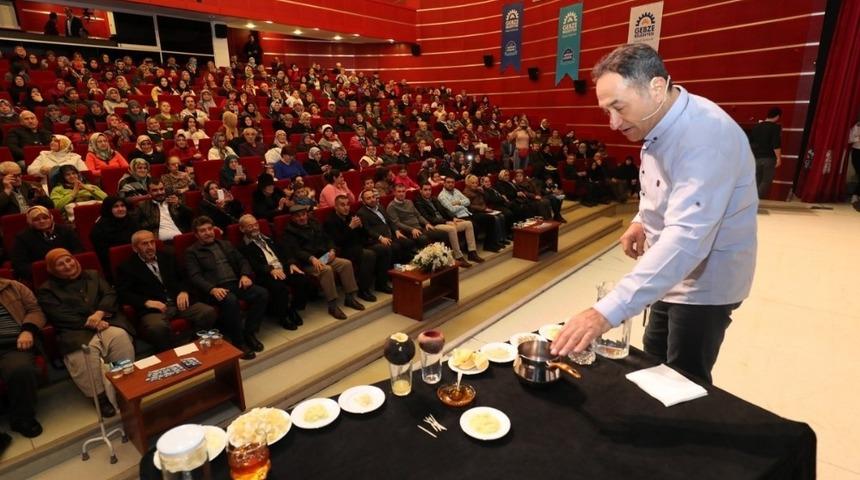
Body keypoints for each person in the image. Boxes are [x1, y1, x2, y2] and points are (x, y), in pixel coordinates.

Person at [551, 44, 758, 384]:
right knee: (652, 360)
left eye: (619, 108)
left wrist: (605, 312)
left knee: (683, 380)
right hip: (667, 272)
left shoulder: (706, 137)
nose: (613, 123)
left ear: (657, 88)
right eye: (607, 111)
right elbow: (665, 188)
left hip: (703, 283)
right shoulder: (660, 121)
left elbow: (688, 239)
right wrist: (641, 221)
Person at [37, 248, 134, 418]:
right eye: (60, 264)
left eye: (69, 260)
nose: (68, 265)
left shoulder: (92, 275)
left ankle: (123, 383)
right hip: (75, 330)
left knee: (120, 337)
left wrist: (99, 313)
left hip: (106, 321)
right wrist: (92, 322)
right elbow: (59, 315)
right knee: (84, 353)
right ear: (52, 269)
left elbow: (110, 294)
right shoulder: (47, 289)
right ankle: (100, 398)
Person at [117, 230, 216, 352]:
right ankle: (170, 354)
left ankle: (193, 345)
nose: (150, 247)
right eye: (145, 244)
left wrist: (183, 291)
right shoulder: (127, 267)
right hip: (154, 309)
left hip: (178, 302)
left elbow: (185, 277)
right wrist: (146, 302)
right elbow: (123, 293)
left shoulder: (167, 256)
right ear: (135, 248)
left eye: (152, 242)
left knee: (207, 312)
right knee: (157, 327)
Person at [185, 216, 269, 360]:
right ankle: (238, 342)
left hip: (236, 283)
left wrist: (245, 275)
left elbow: (242, 261)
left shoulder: (226, 244)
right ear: (196, 234)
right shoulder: (192, 252)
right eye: (203, 231)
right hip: (215, 289)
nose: (208, 233)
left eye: (210, 229)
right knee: (231, 300)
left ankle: (249, 332)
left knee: (262, 293)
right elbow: (195, 276)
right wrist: (212, 289)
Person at [281, 205, 365, 320]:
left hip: (323, 257)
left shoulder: (314, 223)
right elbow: (296, 251)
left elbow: (328, 238)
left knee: (346, 264)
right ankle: (332, 305)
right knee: (326, 270)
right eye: (298, 216)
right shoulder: (289, 232)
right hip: (307, 263)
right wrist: (311, 258)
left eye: (303, 214)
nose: (302, 218)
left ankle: (350, 298)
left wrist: (332, 250)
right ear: (292, 218)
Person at [237, 215, 310, 330]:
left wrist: (291, 263)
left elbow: (284, 251)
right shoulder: (243, 247)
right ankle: (283, 316)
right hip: (265, 273)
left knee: (301, 278)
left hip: (282, 267)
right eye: (250, 226)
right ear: (242, 229)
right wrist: (270, 270)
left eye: (256, 224)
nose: (255, 228)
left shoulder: (269, 237)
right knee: (279, 287)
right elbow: (252, 264)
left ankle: (292, 308)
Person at [0, 276, 46, 440]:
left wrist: (28, 330)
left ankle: (21, 418)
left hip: (14, 344)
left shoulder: (13, 286)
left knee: (20, 369)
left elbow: (35, 310)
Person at [387, 183, 471, 267]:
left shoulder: (409, 202)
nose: (401, 193)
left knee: (443, 234)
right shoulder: (391, 206)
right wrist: (411, 229)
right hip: (409, 232)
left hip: (419, 228)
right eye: (399, 191)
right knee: (423, 239)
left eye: (403, 191)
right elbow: (397, 223)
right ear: (394, 192)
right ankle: (431, 264)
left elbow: (418, 215)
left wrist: (426, 223)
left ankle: (445, 259)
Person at [323, 195, 390, 300]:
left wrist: (361, 227)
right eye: (342, 205)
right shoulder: (330, 221)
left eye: (348, 204)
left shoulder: (352, 214)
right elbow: (337, 242)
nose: (346, 208)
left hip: (359, 245)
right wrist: (350, 227)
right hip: (345, 250)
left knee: (384, 249)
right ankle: (363, 290)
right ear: (336, 207)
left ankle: (381, 284)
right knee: (369, 255)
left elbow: (364, 234)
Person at [414, 182, 484, 264]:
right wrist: (446, 221)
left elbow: (444, 210)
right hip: (434, 225)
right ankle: (458, 256)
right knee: (452, 229)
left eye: (429, 190)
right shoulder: (418, 202)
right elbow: (428, 218)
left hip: (444, 221)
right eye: (425, 190)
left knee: (468, 224)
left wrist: (453, 218)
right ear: (420, 191)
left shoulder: (434, 198)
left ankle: (472, 252)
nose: (428, 192)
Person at [12, 206, 82, 280]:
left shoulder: (65, 230)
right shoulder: (22, 238)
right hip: (44, 276)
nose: (42, 221)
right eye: (36, 219)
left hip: (71, 270)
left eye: (45, 218)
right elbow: (20, 264)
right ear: (30, 222)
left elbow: (79, 250)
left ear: (51, 218)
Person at [437, 176, 504, 252]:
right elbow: (451, 209)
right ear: (444, 184)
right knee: (474, 225)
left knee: (490, 218)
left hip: (468, 213)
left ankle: (489, 244)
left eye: (452, 182)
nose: (450, 184)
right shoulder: (442, 196)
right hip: (458, 217)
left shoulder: (456, 191)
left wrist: (458, 203)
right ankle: (468, 248)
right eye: (448, 182)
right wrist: (463, 205)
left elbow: (468, 201)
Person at [356, 189, 416, 264]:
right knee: (395, 247)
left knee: (408, 242)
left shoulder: (380, 206)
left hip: (390, 234)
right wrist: (380, 238)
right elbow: (367, 230)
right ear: (363, 202)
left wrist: (396, 230)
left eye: (373, 197)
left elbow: (389, 220)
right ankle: (397, 268)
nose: (372, 200)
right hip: (377, 239)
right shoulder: (361, 213)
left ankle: (409, 265)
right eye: (368, 198)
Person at [90, 197, 138, 274]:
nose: (120, 209)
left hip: (136, 259)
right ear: (108, 209)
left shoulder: (131, 221)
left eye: (123, 205)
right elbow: (103, 256)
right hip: (114, 266)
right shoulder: (99, 229)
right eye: (116, 206)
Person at [748, 107, 782, 199]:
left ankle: (750, 199)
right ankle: (755, 199)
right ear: (777, 116)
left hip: (756, 158)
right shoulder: (775, 128)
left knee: (757, 180)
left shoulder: (756, 127)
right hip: (769, 158)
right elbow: (776, 144)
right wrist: (778, 158)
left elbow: (750, 142)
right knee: (766, 180)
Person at [850, 115, 860, 208]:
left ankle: (855, 195)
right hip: (857, 152)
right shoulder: (857, 126)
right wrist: (858, 138)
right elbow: (850, 139)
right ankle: (855, 196)